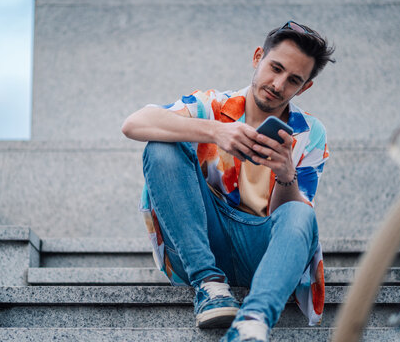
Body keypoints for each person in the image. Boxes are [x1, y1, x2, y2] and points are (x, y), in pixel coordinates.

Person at [122, 20, 335, 342]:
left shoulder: (310, 133)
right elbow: (134, 124)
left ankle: (252, 323)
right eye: (275, 68)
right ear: (257, 57)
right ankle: (210, 287)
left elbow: (292, 224)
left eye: (293, 80)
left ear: (304, 87)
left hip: (262, 253)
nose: (277, 85)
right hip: (200, 244)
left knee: (302, 212)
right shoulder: (211, 105)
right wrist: (216, 131)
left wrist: (285, 175)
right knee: (162, 147)